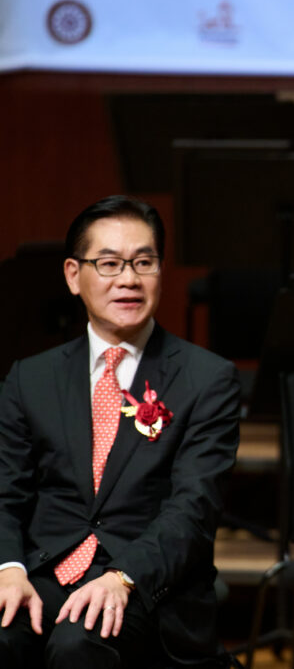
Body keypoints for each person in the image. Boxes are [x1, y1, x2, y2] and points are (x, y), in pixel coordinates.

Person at [0, 196, 241, 668]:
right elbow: (4, 493)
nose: (128, 279)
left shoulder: (206, 378)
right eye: (109, 263)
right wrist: (9, 569)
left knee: (79, 643)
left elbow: (193, 509)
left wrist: (123, 577)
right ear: (74, 275)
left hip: (147, 583)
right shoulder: (30, 378)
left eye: (143, 262)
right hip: (44, 573)